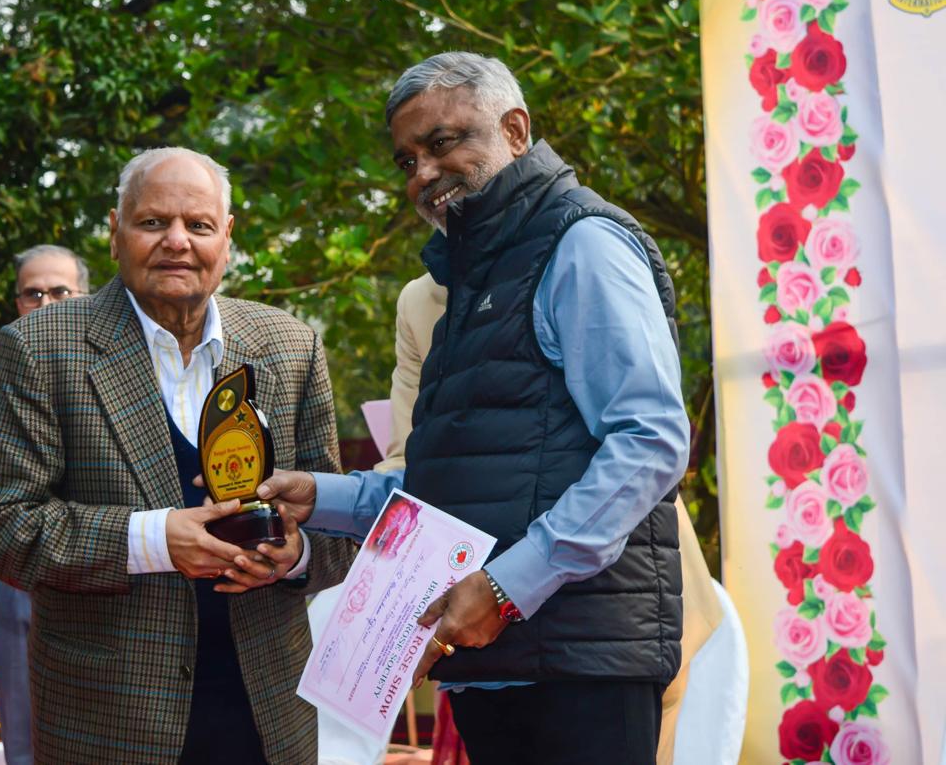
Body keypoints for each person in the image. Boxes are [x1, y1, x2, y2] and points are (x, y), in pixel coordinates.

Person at [259, 51, 691, 763]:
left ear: (515, 130)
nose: (423, 173)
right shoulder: (467, 280)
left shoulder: (580, 242)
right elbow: (450, 485)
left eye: (443, 142)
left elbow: (650, 442)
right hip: (494, 668)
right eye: (407, 160)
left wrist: (508, 587)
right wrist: (320, 496)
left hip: (580, 667)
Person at [0, 147, 354, 764]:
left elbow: (340, 529)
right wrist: (152, 541)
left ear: (226, 238)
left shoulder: (289, 346)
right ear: (115, 233)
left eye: (198, 225)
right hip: (108, 723)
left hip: (269, 719)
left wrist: (296, 554)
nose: (177, 241)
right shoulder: (43, 348)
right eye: (153, 222)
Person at [378, 271, 725, 765]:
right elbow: (408, 468)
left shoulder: (577, 255)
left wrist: (510, 584)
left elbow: (648, 437)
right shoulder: (421, 300)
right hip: (487, 634)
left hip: (613, 608)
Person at [0, 244, 90, 765]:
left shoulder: (120, 382)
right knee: (25, 748)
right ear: (17, 304)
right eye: (33, 293)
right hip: (17, 598)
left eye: (60, 291)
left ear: (85, 297)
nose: (45, 303)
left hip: (102, 590)